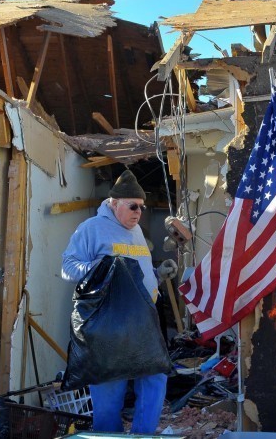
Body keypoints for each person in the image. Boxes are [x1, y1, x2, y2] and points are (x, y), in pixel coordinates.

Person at [61, 169, 178, 434]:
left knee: (155, 376)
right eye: (133, 206)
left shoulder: (136, 231)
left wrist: (158, 276)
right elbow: (67, 267)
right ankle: (107, 436)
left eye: (142, 206)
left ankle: (143, 435)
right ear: (114, 204)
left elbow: (135, 280)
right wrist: (97, 267)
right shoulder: (92, 229)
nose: (139, 211)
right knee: (109, 387)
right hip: (108, 326)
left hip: (142, 321)